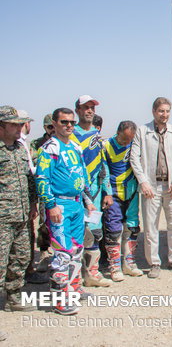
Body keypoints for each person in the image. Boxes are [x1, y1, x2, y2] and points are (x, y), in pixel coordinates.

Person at [36, 107, 96, 315]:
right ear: (54, 124)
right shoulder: (49, 149)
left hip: (77, 205)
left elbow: (83, 175)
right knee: (62, 252)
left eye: (71, 122)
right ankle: (59, 299)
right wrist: (50, 205)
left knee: (77, 249)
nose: (69, 125)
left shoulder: (75, 147)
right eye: (64, 122)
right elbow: (42, 179)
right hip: (59, 205)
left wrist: (88, 200)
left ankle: (75, 288)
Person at [130, 97, 172, 278]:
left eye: (167, 111)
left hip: (171, 186)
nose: (164, 115)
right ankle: (154, 263)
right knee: (151, 227)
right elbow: (134, 158)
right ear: (154, 112)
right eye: (161, 111)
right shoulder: (142, 131)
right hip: (151, 188)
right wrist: (143, 182)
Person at [69, 95, 113, 287]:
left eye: (92, 108)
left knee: (95, 233)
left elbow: (103, 164)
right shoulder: (70, 135)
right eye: (85, 107)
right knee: (74, 235)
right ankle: (74, 276)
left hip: (94, 193)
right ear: (77, 110)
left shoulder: (96, 135)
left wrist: (107, 191)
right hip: (75, 194)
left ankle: (92, 274)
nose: (89, 111)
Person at [0, 106, 37, 317]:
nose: (19, 128)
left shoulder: (20, 149)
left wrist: (32, 204)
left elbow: (29, 180)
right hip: (2, 218)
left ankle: (13, 298)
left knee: (21, 258)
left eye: (19, 124)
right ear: (1, 125)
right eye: (14, 124)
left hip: (22, 216)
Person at [101, 121, 143, 281]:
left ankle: (129, 263)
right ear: (117, 132)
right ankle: (115, 266)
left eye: (130, 139)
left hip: (131, 192)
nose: (127, 142)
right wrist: (107, 192)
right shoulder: (106, 146)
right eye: (124, 139)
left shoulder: (135, 144)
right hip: (114, 193)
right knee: (114, 230)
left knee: (132, 228)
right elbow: (103, 171)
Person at [15, 111, 47, 285]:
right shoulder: (23, 144)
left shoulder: (23, 145)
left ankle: (26, 272)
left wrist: (34, 201)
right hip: (10, 205)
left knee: (26, 239)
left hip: (25, 201)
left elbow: (30, 175)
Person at [29, 113, 54, 273]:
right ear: (45, 127)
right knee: (44, 223)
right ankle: (44, 253)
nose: (52, 130)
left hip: (61, 190)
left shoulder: (66, 142)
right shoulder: (38, 144)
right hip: (45, 190)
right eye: (49, 127)